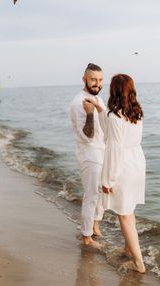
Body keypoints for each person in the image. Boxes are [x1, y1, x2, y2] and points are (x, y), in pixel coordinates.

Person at [87, 74, 146, 273]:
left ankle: (139, 263)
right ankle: (129, 249)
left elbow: (114, 149)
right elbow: (110, 130)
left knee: (124, 215)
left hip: (123, 167)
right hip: (137, 163)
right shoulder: (136, 112)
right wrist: (99, 108)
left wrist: (108, 180)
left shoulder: (115, 116)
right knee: (129, 211)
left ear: (114, 90)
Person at [70, 63, 105, 248]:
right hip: (89, 155)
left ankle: (95, 223)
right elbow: (87, 137)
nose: (97, 84)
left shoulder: (98, 99)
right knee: (91, 195)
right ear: (84, 78)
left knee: (102, 192)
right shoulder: (78, 103)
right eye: (93, 79)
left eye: (100, 80)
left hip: (102, 152)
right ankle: (86, 236)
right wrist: (90, 114)